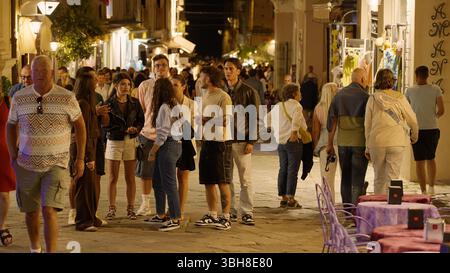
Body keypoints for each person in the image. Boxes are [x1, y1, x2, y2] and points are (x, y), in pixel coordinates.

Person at [6, 55, 86, 253]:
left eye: (44, 71)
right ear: (30, 73)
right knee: (31, 212)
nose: (40, 75)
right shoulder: (19, 97)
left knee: (49, 210)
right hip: (26, 163)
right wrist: (12, 155)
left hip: (56, 163)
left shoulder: (66, 97)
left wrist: (81, 158)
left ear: (51, 72)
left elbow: (80, 126)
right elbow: (10, 125)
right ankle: (35, 248)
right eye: (36, 71)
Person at [365, 69, 419, 195]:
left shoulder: (372, 99)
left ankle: (378, 208)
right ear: (392, 81)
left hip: (377, 142)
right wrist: (414, 136)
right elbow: (413, 120)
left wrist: (367, 146)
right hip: (397, 142)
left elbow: (367, 125)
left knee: (379, 178)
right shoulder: (400, 98)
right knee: (393, 178)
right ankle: (392, 209)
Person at [195, 66, 233, 231]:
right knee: (208, 181)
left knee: (222, 181)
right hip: (206, 141)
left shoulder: (223, 97)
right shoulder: (204, 95)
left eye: (201, 76)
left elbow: (226, 120)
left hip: (220, 143)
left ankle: (226, 217)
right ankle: (212, 213)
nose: (199, 79)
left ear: (209, 78)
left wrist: (206, 119)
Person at [223, 58, 260, 225]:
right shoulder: (222, 91)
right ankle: (229, 210)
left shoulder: (249, 91)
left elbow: (256, 117)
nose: (228, 72)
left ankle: (246, 211)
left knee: (245, 179)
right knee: (226, 178)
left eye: (231, 69)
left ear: (238, 71)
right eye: (225, 69)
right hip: (224, 141)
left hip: (242, 140)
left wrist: (251, 140)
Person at [69, 68, 107, 231]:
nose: (97, 80)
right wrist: (86, 157)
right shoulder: (82, 103)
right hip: (84, 148)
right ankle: (83, 221)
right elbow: (82, 132)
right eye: (93, 78)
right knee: (84, 186)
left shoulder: (89, 101)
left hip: (92, 145)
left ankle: (91, 217)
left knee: (90, 185)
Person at [104, 72, 144, 220]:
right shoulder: (108, 103)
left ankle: (130, 208)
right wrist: (123, 130)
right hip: (114, 141)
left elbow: (141, 120)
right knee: (112, 177)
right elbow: (105, 126)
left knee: (130, 177)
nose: (126, 87)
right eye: (122, 84)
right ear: (115, 85)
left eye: (128, 84)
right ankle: (111, 208)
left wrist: (136, 129)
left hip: (130, 141)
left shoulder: (135, 102)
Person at [327, 68, 369, 206]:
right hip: (359, 142)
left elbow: (332, 121)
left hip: (343, 143)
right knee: (357, 179)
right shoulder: (366, 97)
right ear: (362, 79)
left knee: (345, 177)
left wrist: (329, 143)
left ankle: (346, 208)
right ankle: (355, 209)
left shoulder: (339, 96)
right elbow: (370, 123)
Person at [148, 78, 183, 231]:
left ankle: (175, 218)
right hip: (175, 145)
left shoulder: (164, 107)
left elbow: (162, 133)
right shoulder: (175, 104)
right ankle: (160, 214)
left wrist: (152, 151)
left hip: (168, 145)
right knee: (158, 181)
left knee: (169, 185)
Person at [137, 54, 170, 218]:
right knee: (146, 172)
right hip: (148, 133)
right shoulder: (145, 85)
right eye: (157, 65)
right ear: (152, 67)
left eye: (163, 65)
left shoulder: (172, 85)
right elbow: (143, 107)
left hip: (167, 136)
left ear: (168, 67)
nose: (160, 68)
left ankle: (164, 207)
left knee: (165, 173)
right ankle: (145, 204)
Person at [265, 84, 307, 208]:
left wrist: (272, 129)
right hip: (293, 142)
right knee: (292, 170)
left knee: (283, 168)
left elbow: (267, 118)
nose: (301, 95)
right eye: (299, 92)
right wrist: (294, 132)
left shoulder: (279, 105)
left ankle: (283, 196)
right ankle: (291, 198)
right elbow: (296, 120)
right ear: (294, 94)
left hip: (281, 142)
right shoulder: (297, 106)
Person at [406, 66, 445, 194]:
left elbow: (406, 110)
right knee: (431, 158)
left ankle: (423, 190)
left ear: (416, 75)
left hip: (416, 129)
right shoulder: (436, 89)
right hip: (432, 129)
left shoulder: (410, 91)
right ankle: (431, 187)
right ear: (427, 75)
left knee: (419, 161)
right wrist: (433, 117)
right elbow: (441, 110)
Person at [172, 75, 196, 221]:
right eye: (171, 85)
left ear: (183, 86)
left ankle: (180, 209)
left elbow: (195, 126)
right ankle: (172, 207)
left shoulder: (192, 104)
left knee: (183, 177)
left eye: (175, 84)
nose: (173, 87)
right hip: (171, 144)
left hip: (186, 144)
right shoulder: (167, 104)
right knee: (170, 178)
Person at [312, 83, 339, 203]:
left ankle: (328, 203)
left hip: (324, 144)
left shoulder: (318, 108)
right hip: (341, 142)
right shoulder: (340, 106)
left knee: (327, 177)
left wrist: (315, 146)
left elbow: (315, 131)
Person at [0, 83, 15, 247]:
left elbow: (15, 124)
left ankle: (2, 224)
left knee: (3, 194)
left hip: (4, 155)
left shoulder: (7, 100)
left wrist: (15, 146)